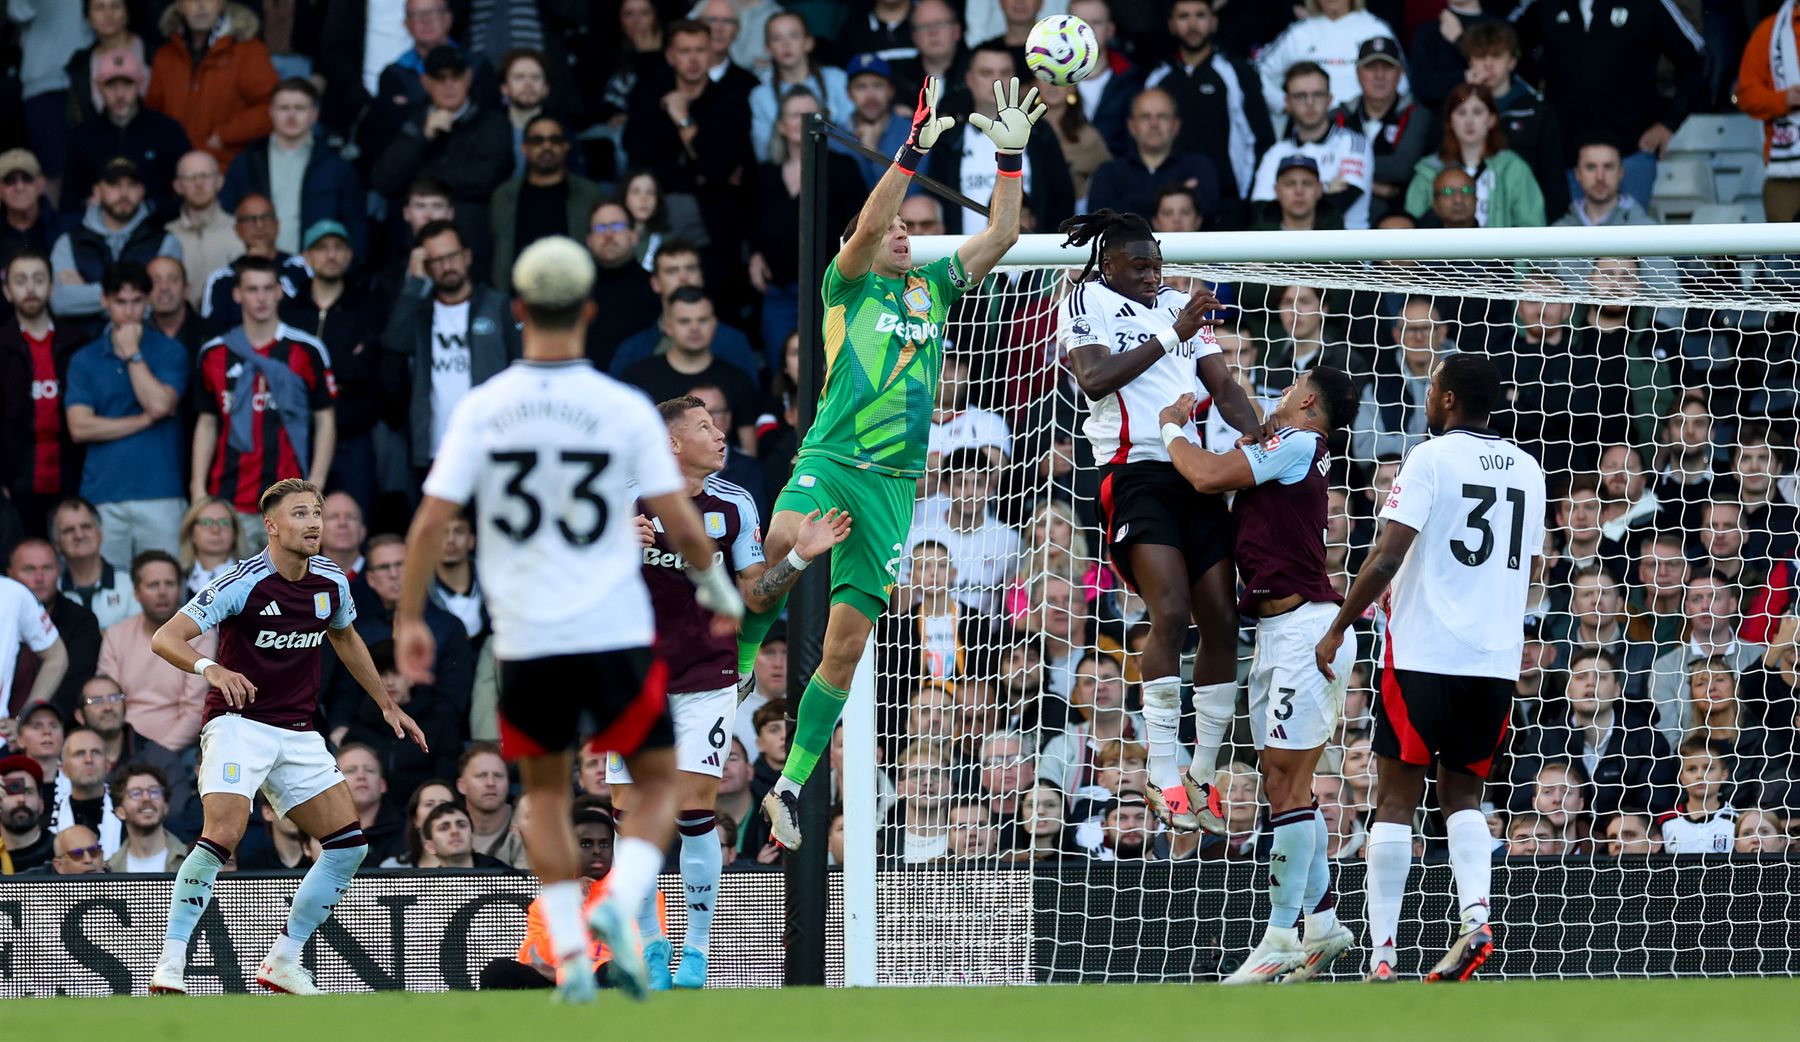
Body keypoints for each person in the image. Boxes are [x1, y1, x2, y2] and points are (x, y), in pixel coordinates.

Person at [393, 236, 747, 1002]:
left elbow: (428, 522)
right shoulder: (619, 407)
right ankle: (621, 905)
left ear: (516, 312)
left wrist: (410, 616)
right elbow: (685, 527)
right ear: (589, 311)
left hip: (529, 625)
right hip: (613, 628)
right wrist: (720, 594)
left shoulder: (485, 405)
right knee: (660, 789)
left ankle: (570, 936)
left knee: (547, 794)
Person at [742, 75, 1032, 851]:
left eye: (912, 227)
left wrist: (1010, 156)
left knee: (845, 647)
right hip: (833, 459)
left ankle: (791, 787)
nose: (905, 233)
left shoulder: (934, 289)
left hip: (895, 493)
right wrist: (910, 151)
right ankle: (737, 663)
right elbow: (869, 222)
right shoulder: (847, 285)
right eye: (895, 228)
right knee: (781, 545)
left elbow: (1000, 237)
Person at [1315, 353, 1547, 983]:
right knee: (1464, 796)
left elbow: (1388, 555)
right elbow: (1531, 570)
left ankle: (1383, 957)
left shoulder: (1429, 457)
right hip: (1494, 660)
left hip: (1421, 654)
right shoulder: (1529, 469)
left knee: (1394, 800)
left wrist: (1340, 624)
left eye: (1434, 384)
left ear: (1445, 400)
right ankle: (1476, 919)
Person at [146, 478, 428, 996]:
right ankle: (170, 961)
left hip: (298, 732)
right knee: (224, 832)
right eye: (301, 513)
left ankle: (283, 959)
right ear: (272, 526)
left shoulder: (332, 579)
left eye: (317, 512)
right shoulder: (243, 580)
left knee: (347, 847)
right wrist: (211, 668)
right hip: (238, 724)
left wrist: (387, 703)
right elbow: (166, 637)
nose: (315, 522)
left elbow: (344, 637)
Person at [608, 394, 849, 989]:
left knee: (694, 812)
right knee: (630, 817)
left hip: (703, 678)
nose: (720, 436)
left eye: (719, 424)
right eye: (705, 427)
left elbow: (757, 597)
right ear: (670, 442)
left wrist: (796, 556)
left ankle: (694, 950)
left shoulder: (734, 504)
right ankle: (650, 943)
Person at [1054, 207, 1265, 834]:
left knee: (1223, 618)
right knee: (1169, 611)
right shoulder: (1082, 300)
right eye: (1139, 265)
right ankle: (1161, 769)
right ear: (1108, 263)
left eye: (1157, 264)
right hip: (1133, 473)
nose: (1152, 274)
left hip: (1193, 468)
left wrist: (1261, 439)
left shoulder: (1177, 307)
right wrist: (1172, 331)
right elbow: (1093, 379)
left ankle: (1200, 773)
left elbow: (1222, 387)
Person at [1153, 366, 1362, 982]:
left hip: (1304, 631)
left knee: (1287, 785)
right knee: (1281, 784)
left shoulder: (1298, 443)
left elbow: (1208, 474)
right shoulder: (1294, 450)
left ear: (1308, 399)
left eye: (1291, 385)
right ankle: (1321, 925)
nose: (1280, 394)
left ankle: (1278, 936)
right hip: (1279, 631)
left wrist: (1169, 427)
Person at [191, 257, 337, 545]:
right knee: (233, 590)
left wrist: (316, 484)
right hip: (229, 499)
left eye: (268, 288)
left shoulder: (307, 349)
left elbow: (325, 420)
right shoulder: (213, 353)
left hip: (290, 501)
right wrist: (198, 489)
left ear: (279, 292)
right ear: (237, 294)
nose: (261, 298)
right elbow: (207, 422)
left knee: (289, 590)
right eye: (252, 289)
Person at [1517, 0, 1705, 211]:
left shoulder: (1648, 4)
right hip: (1566, 158)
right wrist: (1539, 89)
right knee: (1570, 243)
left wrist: (1668, 123)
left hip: (1632, 154)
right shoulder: (1543, 5)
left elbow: (1695, 61)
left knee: (1630, 243)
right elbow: (1509, 47)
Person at [64, 262, 188, 563]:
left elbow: (159, 404)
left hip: (161, 493)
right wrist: (143, 420)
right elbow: (79, 428)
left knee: (167, 591)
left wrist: (133, 353)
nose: (129, 311)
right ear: (105, 301)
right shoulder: (85, 358)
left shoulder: (170, 351)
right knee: (109, 591)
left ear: (147, 302)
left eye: (136, 301)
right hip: (103, 494)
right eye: (120, 301)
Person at [382, 219, 520, 476]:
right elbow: (395, 343)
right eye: (436, 260)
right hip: (437, 450)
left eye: (452, 256)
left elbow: (520, 365)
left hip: (494, 447)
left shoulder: (499, 306)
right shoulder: (419, 311)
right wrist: (414, 283)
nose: (447, 266)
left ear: (467, 256)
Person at [369, 46, 514, 266]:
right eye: (439, 78)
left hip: (471, 248)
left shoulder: (492, 122)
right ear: (425, 82)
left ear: (468, 77)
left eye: (455, 76)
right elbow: (383, 179)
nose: (449, 85)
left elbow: (485, 178)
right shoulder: (410, 119)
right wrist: (422, 136)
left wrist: (422, 177)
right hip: (410, 248)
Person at [97, 549, 212, 815]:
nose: (162, 592)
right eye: (153, 585)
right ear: (136, 592)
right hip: (125, 745)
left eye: (169, 584)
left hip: (179, 749)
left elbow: (195, 710)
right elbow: (108, 699)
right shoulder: (116, 635)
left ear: (181, 589)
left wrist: (155, 757)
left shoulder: (201, 634)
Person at [923, 46, 1072, 234]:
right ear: (969, 79)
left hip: (1031, 256)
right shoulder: (949, 136)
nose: (996, 80)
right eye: (986, 73)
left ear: (1016, 80)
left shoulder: (1039, 133)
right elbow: (934, 198)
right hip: (963, 256)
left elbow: (1062, 198)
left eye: (1005, 73)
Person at [1143, 0, 1274, 214]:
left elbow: (1261, 139)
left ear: (1214, 22)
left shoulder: (1237, 72)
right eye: (1184, 16)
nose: (1193, 24)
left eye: (1200, 15)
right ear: (1171, 24)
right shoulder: (1158, 77)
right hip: (1168, 207)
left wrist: (1247, 197)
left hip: (1229, 202)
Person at [481, 805, 631, 991]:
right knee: (498, 970)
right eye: (585, 844)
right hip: (555, 979)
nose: (596, 851)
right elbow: (532, 956)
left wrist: (564, 974)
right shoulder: (548, 900)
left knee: (612, 970)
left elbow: (640, 954)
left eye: (604, 844)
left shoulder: (634, 893)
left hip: (599, 977)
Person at [219, 78, 367, 259]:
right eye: (284, 108)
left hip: (315, 276)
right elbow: (226, 218)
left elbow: (356, 227)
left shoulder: (337, 167)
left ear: (314, 114)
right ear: (271, 112)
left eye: (300, 108)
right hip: (257, 271)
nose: (291, 116)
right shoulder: (246, 161)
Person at [1, 249, 85, 535]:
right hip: (16, 474)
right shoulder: (2, 343)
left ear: (51, 287)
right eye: (20, 281)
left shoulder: (77, 342)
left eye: (38, 279)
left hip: (72, 471)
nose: (30, 289)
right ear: (7, 290)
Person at [145, 0, 279, 170]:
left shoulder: (249, 51)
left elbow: (271, 108)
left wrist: (224, 135)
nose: (201, 5)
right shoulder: (165, 57)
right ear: (179, 6)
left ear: (222, 3)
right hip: (176, 171)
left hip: (228, 168)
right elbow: (153, 116)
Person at [50, 157, 184, 321]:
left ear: (142, 191)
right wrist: (138, 295)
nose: (123, 193)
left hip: (146, 341)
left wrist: (85, 292)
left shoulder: (165, 241)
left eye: (132, 185)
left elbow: (164, 302)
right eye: (114, 185)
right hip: (84, 343)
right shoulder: (69, 242)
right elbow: (60, 302)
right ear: (97, 191)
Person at [64, 49, 191, 223]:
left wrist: (153, 208)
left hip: (157, 229)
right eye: (111, 85)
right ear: (99, 87)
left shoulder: (167, 130)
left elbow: (186, 192)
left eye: (127, 84)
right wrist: (89, 206)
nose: (119, 94)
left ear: (140, 84)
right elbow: (69, 201)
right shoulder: (83, 136)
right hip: (98, 232)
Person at [488, 114, 607, 292]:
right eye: (537, 140)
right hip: (519, 301)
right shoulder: (504, 196)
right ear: (524, 148)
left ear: (566, 146)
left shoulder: (589, 193)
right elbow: (499, 255)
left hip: (576, 296)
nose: (547, 146)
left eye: (555, 139)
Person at [1249, 62, 1373, 230]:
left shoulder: (1353, 142)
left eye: (1318, 94)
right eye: (1300, 96)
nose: (1310, 102)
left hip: (1347, 250)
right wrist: (1326, 189)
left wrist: (1288, 201)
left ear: (1330, 99)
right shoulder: (1275, 153)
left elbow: (1341, 203)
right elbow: (1261, 212)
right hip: (1286, 252)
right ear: (1288, 102)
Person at [1403, 83, 1545, 228]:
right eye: (1461, 112)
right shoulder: (1428, 170)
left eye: (1477, 112)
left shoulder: (1513, 169)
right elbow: (1411, 228)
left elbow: (1532, 226)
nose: (1469, 121)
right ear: (1450, 121)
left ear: (1491, 119)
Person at [1330, 38, 1432, 224]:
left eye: (1387, 67)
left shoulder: (1417, 114)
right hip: (1342, 222)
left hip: (1398, 223)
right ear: (1358, 73)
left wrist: (1350, 171)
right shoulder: (1337, 116)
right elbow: (1324, 162)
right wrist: (1371, 185)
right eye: (1370, 67)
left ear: (1400, 72)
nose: (1379, 75)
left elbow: (1401, 168)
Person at [1085, 88, 1222, 224]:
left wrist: (1132, 207)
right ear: (1131, 126)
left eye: (1162, 116)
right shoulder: (1109, 173)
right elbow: (1100, 219)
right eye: (1145, 117)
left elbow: (1210, 212)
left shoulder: (1199, 167)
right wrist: (1179, 195)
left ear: (1176, 125)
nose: (1154, 124)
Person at [1254, 0, 1407, 117]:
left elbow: (1402, 84)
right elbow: (1255, 75)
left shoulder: (1376, 29)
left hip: (1366, 133)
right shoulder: (1298, 33)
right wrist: (1284, 104)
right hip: (1307, 135)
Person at [748, 11, 853, 163]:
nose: (786, 44)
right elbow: (763, 153)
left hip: (836, 168)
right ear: (768, 48)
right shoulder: (760, 96)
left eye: (794, 35)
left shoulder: (836, 79)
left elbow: (853, 135)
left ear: (809, 42)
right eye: (777, 38)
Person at [199, 196, 313, 331]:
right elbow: (212, 332)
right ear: (237, 229)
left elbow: (309, 317)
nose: (259, 225)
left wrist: (269, 265)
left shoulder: (302, 267)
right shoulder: (220, 279)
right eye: (250, 219)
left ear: (277, 224)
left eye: (266, 217)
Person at [1737, 2, 1800, 223]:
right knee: (1782, 253)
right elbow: (1744, 94)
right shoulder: (1770, 30)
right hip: (1786, 174)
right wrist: (1783, 99)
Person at [582, 201, 659, 370]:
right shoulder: (575, 291)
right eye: (601, 228)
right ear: (589, 240)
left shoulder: (655, 289)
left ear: (634, 236)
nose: (608, 235)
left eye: (617, 226)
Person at [3, 541, 77, 717]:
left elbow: (56, 657)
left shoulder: (13, 594)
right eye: (29, 569)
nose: (38, 577)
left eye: (46, 568)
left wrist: (25, 718)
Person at [165, 151, 244, 310]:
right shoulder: (166, 235)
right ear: (178, 186)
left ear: (219, 181)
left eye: (205, 176)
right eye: (190, 177)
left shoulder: (240, 231)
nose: (199, 184)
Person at [52, 498, 138, 628]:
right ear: (56, 543)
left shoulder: (131, 584)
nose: (79, 535)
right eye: (69, 530)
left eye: (86, 527)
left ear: (100, 534)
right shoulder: (51, 591)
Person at [105, 763, 189, 872]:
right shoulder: (109, 870)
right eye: (136, 793)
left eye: (154, 791)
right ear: (120, 812)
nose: (146, 798)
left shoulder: (192, 860)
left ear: (166, 807)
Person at [0, 754, 54, 874]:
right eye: (12, 791)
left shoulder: (60, 852)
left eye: (29, 792)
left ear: (41, 804)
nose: (21, 799)